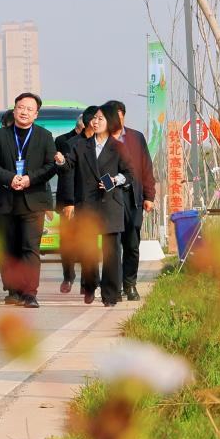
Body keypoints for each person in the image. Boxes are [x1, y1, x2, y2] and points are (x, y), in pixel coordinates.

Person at [0, 93, 63, 309]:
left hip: (33, 200)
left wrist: (29, 179)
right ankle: (13, 290)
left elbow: (51, 166)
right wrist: (10, 178)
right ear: (15, 109)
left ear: (36, 114)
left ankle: (29, 293)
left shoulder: (45, 136)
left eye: (29, 109)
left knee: (30, 248)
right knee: (8, 248)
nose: (24, 112)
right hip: (5, 200)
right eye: (20, 107)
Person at [60, 103, 133, 306]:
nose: (96, 121)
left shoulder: (118, 147)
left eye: (101, 118)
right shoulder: (81, 145)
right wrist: (60, 161)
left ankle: (111, 294)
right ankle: (90, 285)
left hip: (110, 204)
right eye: (95, 118)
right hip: (87, 204)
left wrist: (115, 180)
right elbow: (69, 164)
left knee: (111, 252)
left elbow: (129, 174)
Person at [103, 100, 157, 302]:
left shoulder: (136, 137)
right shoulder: (102, 139)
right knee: (112, 245)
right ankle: (114, 287)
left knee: (132, 244)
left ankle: (130, 284)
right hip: (110, 197)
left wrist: (149, 196)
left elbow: (146, 168)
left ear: (123, 116)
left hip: (133, 197)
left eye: (118, 116)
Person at [54, 107, 98, 294]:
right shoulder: (68, 143)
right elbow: (67, 175)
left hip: (92, 201)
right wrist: (69, 202)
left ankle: (88, 282)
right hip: (71, 200)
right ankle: (68, 276)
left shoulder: (102, 143)